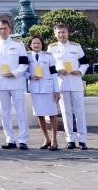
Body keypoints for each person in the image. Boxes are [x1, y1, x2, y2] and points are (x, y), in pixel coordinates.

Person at [0, 18, 29, 149]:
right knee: (5, 112)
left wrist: (14, 73)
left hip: (16, 82)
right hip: (1, 83)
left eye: (5, 28)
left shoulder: (18, 44)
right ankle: (10, 139)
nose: (3, 31)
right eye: (0, 28)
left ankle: (23, 139)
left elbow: (24, 64)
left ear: (10, 29)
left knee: (20, 111)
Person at [48, 22, 90, 150]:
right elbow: (48, 66)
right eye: (59, 33)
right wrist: (57, 70)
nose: (62, 35)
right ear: (55, 34)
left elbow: (85, 63)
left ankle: (82, 140)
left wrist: (80, 71)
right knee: (66, 112)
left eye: (64, 32)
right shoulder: (51, 48)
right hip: (62, 83)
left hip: (75, 81)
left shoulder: (76, 47)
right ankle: (70, 139)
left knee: (79, 112)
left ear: (68, 33)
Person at [27, 35, 60, 150]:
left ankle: (54, 139)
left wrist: (57, 90)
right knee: (39, 114)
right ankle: (47, 138)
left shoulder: (48, 56)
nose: (36, 45)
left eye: (39, 43)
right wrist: (30, 76)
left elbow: (54, 73)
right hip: (35, 89)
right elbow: (24, 72)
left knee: (52, 114)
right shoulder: (26, 56)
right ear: (30, 45)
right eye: (34, 43)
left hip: (48, 88)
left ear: (42, 45)